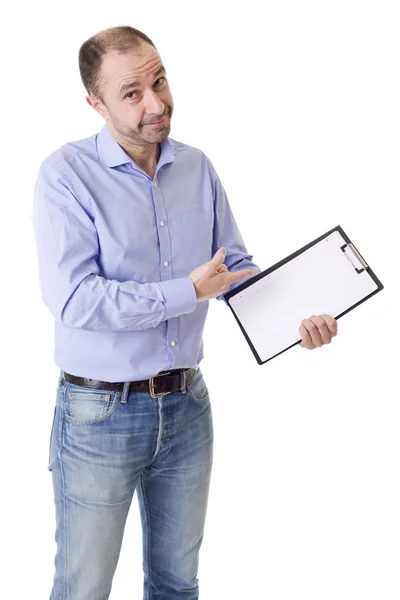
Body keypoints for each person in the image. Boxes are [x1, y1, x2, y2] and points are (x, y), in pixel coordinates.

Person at [31, 25, 338, 600]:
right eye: (132, 93)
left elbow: (233, 269)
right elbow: (75, 299)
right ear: (95, 104)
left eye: (160, 80)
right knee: (83, 587)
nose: (156, 103)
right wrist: (185, 291)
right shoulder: (65, 176)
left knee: (177, 583)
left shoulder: (196, 167)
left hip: (187, 407)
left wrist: (298, 315)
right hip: (100, 412)